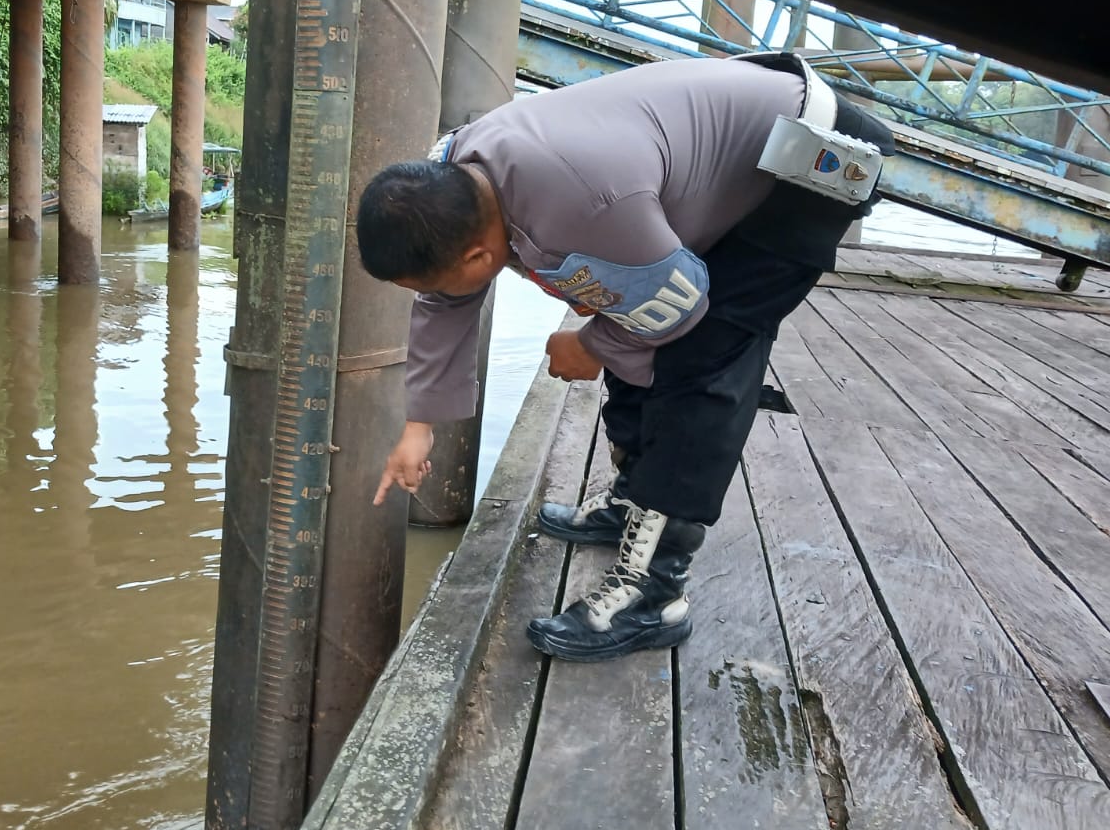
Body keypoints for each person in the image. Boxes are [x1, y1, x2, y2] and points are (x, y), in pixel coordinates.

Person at [356, 53, 892, 662]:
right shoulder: (455, 177)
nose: (428, 296)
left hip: (814, 160)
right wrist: (418, 427)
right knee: (625, 309)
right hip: (721, 154)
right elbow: (443, 301)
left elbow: (678, 307)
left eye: (435, 281)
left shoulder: (582, 202)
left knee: (706, 354)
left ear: (478, 257)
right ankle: (634, 500)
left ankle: (655, 597)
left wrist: (590, 346)